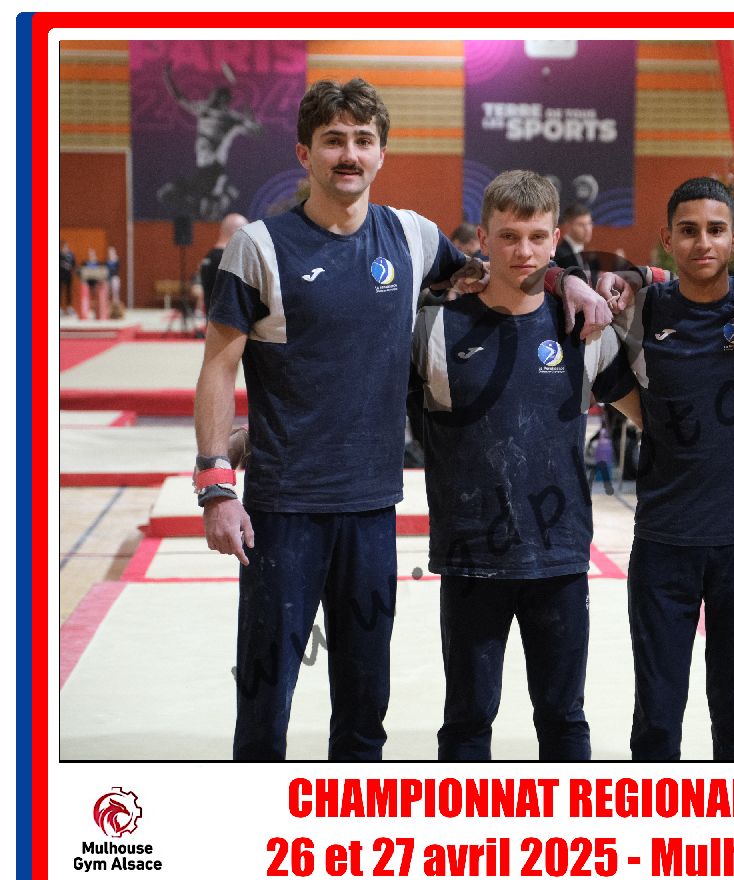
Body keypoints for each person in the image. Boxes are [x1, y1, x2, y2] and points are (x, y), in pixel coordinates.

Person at [195, 79, 611, 761]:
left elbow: (499, 270)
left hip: (371, 508)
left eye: (363, 140)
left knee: (366, 708)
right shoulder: (260, 247)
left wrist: (566, 277)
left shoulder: (413, 236)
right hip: (284, 507)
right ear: (304, 152)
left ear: (382, 153)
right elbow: (218, 367)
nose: (349, 154)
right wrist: (216, 484)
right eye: (333, 140)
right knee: (266, 702)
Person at [409, 170, 639, 761]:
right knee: (466, 720)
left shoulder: (585, 331)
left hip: (559, 557)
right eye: (509, 236)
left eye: (538, 237)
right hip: (470, 559)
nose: (524, 251)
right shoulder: (434, 328)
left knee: (564, 720)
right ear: (482, 238)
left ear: (556, 239)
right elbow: (364, 403)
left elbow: (655, 421)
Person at [610, 177, 734, 761]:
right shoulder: (643, 310)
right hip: (664, 540)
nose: (702, 243)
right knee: (656, 717)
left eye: (716, 230)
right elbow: (609, 374)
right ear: (667, 239)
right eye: (688, 231)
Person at [159, 61, 264, 220]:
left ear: (222, 100)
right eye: (211, 96)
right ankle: (223, 193)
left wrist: (249, 116)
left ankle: (224, 193)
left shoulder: (231, 118)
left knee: (204, 207)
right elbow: (179, 98)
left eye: (214, 96)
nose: (210, 98)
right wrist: (167, 77)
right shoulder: (203, 109)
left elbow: (257, 131)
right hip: (203, 168)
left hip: (214, 168)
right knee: (168, 194)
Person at [552, 202, 593, 273]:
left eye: (589, 223)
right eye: (581, 225)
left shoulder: (588, 256)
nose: (587, 229)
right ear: (568, 226)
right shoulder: (560, 255)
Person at [60, 241, 75, 314]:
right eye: (64, 247)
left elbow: (73, 264)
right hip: (60, 276)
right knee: (59, 292)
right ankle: (59, 308)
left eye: (66, 247)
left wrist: (70, 266)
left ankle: (69, 307)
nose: (65, 248)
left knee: (68, 292)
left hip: (68, 276)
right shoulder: (59, 255)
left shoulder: (70, 255)